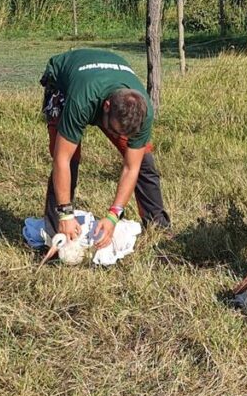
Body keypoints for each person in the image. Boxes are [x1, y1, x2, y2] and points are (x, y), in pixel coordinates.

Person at [40, 48, 171, 252]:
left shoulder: (142, 112)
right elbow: (61, 160)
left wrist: (113, 215)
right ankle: (54, 235)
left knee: (144, 162)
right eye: (114, 129)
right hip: (63, 84)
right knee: (70, 158)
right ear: (107, 106)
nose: (116, 135)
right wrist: (66, 213)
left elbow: (131, 168)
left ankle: (158, 227)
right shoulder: (82, 101)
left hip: (103, 83)